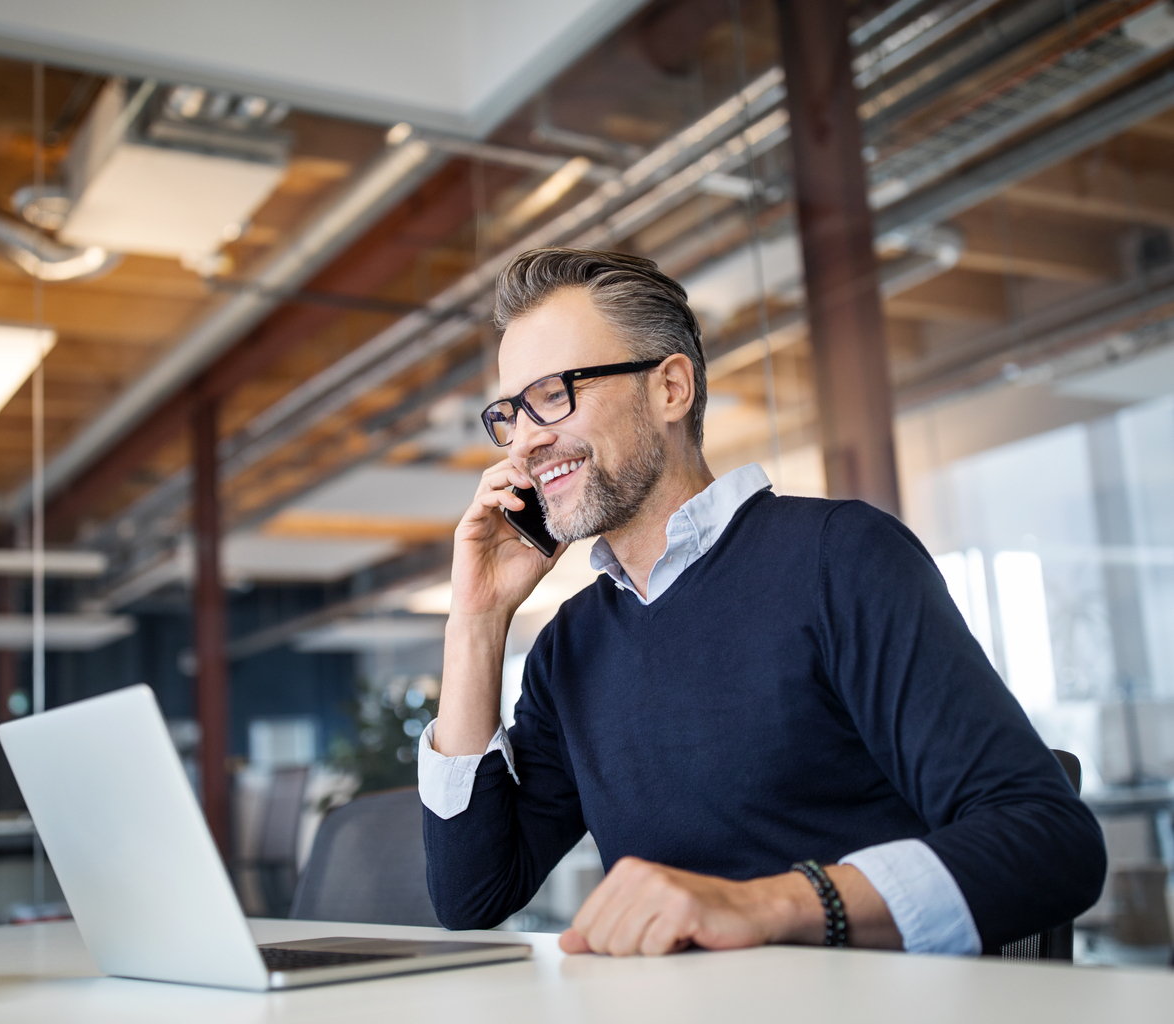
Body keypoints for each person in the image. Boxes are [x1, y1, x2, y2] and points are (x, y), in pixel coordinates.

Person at [418, 248, 1106, 957]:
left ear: (671, 389)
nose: (526, 440)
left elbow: (1049, 841)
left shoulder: (839, 558)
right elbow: (473, 895)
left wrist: (765, 906)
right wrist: (476, 620)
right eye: (509, 413)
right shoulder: (572, 646)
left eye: (555, 393)